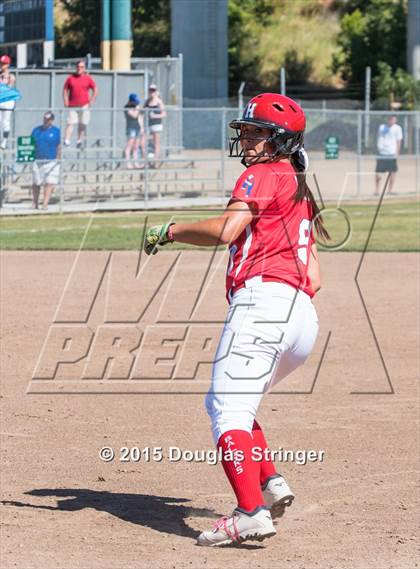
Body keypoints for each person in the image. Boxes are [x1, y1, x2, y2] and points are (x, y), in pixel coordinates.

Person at [144, 93, 330, 547]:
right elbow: (315, 276)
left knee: (228, 411)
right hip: (301, 317)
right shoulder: (297, 185)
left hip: (262, 306)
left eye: (255, 132)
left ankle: (251, 512)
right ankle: (270, 482)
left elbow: (227, 230)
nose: (245, 138)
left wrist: (171, 230)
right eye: (245, 130)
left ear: (280, 140)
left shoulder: (263, 174)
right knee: (230, 405)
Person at [63, 60, 97, 149]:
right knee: (70, 122)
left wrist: (92, 100)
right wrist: (66, 100)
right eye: (78, 67)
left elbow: (95, 89)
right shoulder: (71, 78)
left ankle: (79, 140)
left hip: (84, 104)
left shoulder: (88, 78)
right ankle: (67, 140)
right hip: (72, 105)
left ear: (84, 68)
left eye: (81, 67)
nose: (79, 69)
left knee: (83, 123)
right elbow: (65, 89)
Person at [31, 111, 61, 210]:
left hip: (51, 160)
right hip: (38, 159)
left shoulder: (56, 131)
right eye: (45, 119)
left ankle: (45, 204)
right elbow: (30, 144)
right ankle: (35, 202)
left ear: (52, 120)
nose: (46, 121)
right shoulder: (36, 130)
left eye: (48, 119)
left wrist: (58, 157)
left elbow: (58, 145)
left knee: (49, 182)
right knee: (36, 182)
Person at [375, 114, 403, 195]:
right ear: (388, 119)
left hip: (391, 154)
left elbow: (398, 141)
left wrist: (397, 153)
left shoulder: (398, 128)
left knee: (392, 172)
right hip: (382, 153)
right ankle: (377, 190)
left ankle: (390, 190)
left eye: (393, 119)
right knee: (378, 172)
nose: (391, 121)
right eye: (390, 119)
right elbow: (379, 138)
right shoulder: (382, 127)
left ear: (395, 120)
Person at [144, 84, 166, 165]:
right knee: (146, 142)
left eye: (153, 90)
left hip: (157, 125)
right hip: (148, 125)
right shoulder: (147, 101)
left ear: (156, 91)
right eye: (150, 90)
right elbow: (142, 111)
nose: (151, 92)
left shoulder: (159, 102)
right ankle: (147, 161)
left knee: (156, 143)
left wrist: (155, 116)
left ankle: (155, 162)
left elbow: (164, 114)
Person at [124, 93, 145, 169]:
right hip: (131, 128)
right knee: (129, 146)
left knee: (136, 147)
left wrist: (142, 127)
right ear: (131, 101)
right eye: (135, 101)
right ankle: (128, 163)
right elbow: (134, 115)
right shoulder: (127, 107)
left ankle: (136, 163)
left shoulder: (136, 107)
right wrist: (137, 109)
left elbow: (139, 117)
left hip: (137, 128)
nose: (136, 103)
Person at [0, 55, 16, 150]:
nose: (2, 65)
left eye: (4, 63)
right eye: (1, 63)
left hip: (7, 102)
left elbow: (8, 88)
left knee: (6, 122)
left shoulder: (11, 76)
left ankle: (4, 141)